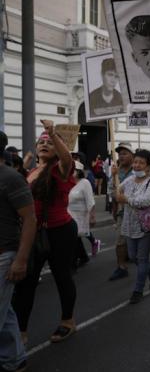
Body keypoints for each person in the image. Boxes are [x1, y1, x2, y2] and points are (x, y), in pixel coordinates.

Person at [13, 120, 78, 344]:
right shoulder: (31, 172)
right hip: (33, 233)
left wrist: (53, 133)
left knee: (62, 277)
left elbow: (67, 158)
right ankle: (20, 331)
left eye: (50, 142)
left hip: (59, 232)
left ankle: (67, 321)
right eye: (41, 141)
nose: (45, 144)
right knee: (26, 282)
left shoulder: (61, 169)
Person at [0, 131, 36, 372]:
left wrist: (21, 260)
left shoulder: (11, 178)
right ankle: (14, 359)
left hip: (4, 255)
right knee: (6, 311)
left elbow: (30, 219)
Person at [114, 149, 150, 304]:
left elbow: (145, 201)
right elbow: (116, 191)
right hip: (129, 224)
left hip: (146, 226)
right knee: (133, 257)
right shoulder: (129, 180)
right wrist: (114, 175)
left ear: (148, 166)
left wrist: (125, 199)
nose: (137, 165)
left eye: (141, 163)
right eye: (135, 162)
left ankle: (138, 290)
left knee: (141, 259)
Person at [108, 142, 134, 281]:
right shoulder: (115, 171)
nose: (121, 156)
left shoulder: (137, 170)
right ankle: (121, 267)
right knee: (120, 241)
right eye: (120, 154)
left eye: (125, 153)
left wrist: (126, 197)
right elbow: (111, 193)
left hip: (137, 212)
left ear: (132, 155)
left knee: (140, 242)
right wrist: (113, 177)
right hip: (121, 213)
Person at [68, 161, 100, 268]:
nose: (71, 172)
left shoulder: (85, 183)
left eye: (74, 170)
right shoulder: (68, 182)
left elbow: (90, 201)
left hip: (81, 214)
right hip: (69, 214)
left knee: (75, 237)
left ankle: (73, 262)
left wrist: (92, 216)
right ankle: (82, 257)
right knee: (75, 237)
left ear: (79, 172)